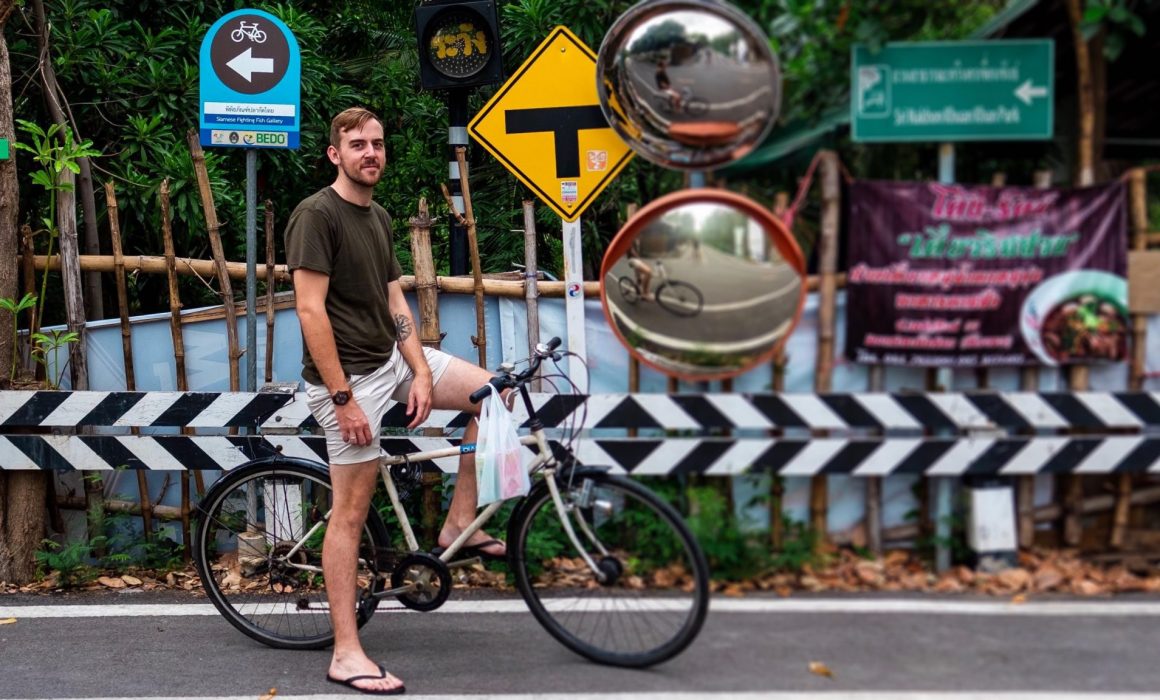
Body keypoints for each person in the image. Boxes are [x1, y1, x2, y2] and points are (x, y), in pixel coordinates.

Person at [285, 107, 504, 695]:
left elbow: (393, 300)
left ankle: (460, 520)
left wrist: (422, 371)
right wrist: (344, 400)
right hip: (346, 381)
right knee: (350, 514)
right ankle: (346, 652)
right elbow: (309, 311)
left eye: (378, 143)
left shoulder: (377, 215)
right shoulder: (317, 215)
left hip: (390, 360)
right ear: (335, 154)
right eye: (357, 145)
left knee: (495, 396)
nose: (371, 153)